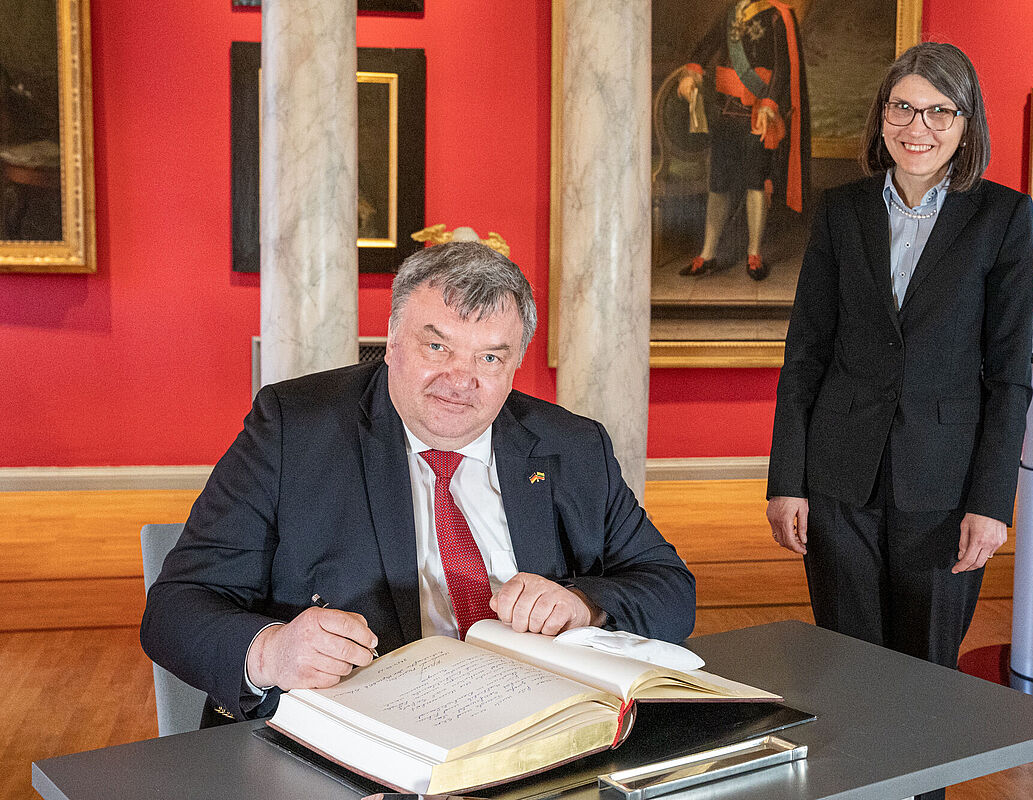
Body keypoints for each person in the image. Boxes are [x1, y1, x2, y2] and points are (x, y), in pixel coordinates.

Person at [142, 241, 696, 725]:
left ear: (516, 363)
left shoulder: (572, 444)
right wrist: (270, 651)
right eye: (437, 347)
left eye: (489, 357)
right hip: (357, 732)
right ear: (390, 342)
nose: (460, 380)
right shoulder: (295, 427)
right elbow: (174, 609)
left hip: (535, 723)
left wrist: (583, 604)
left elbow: (669, 589)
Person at [765, 44, 1033, 800]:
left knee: (924, 679)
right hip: (838, 479)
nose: (919, 126)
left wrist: (991, 502)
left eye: (939, 110)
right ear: (881, 116)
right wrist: (786, 480)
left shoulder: (1004, 217)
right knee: (846, 672)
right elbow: (805, 355)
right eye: (903, 107)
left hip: (945, 491)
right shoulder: (841, 210)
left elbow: (1008, 376)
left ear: (965, 121)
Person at [675, 0, 809, 281]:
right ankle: (708, 253)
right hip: (726, 113)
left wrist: (770, 105)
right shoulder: (730, 12)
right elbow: (704, 47)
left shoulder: (777, 16)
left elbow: (783, 68)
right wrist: (692, 74)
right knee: (718, 183)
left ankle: (754, 253)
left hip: (758, 114)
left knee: (755, 182)